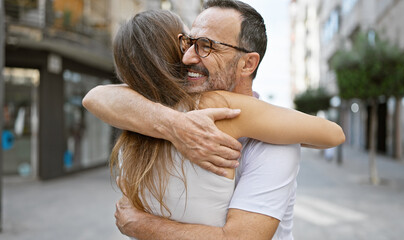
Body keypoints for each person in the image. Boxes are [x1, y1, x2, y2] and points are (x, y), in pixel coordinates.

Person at [83, 1, 345, 239]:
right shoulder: (153, 115)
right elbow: (96, 97)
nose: (188, 56)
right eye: (187, 42)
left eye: (206, 45)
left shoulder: (274, 142)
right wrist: (175, 125)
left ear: (247, 64)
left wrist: (142, 226)